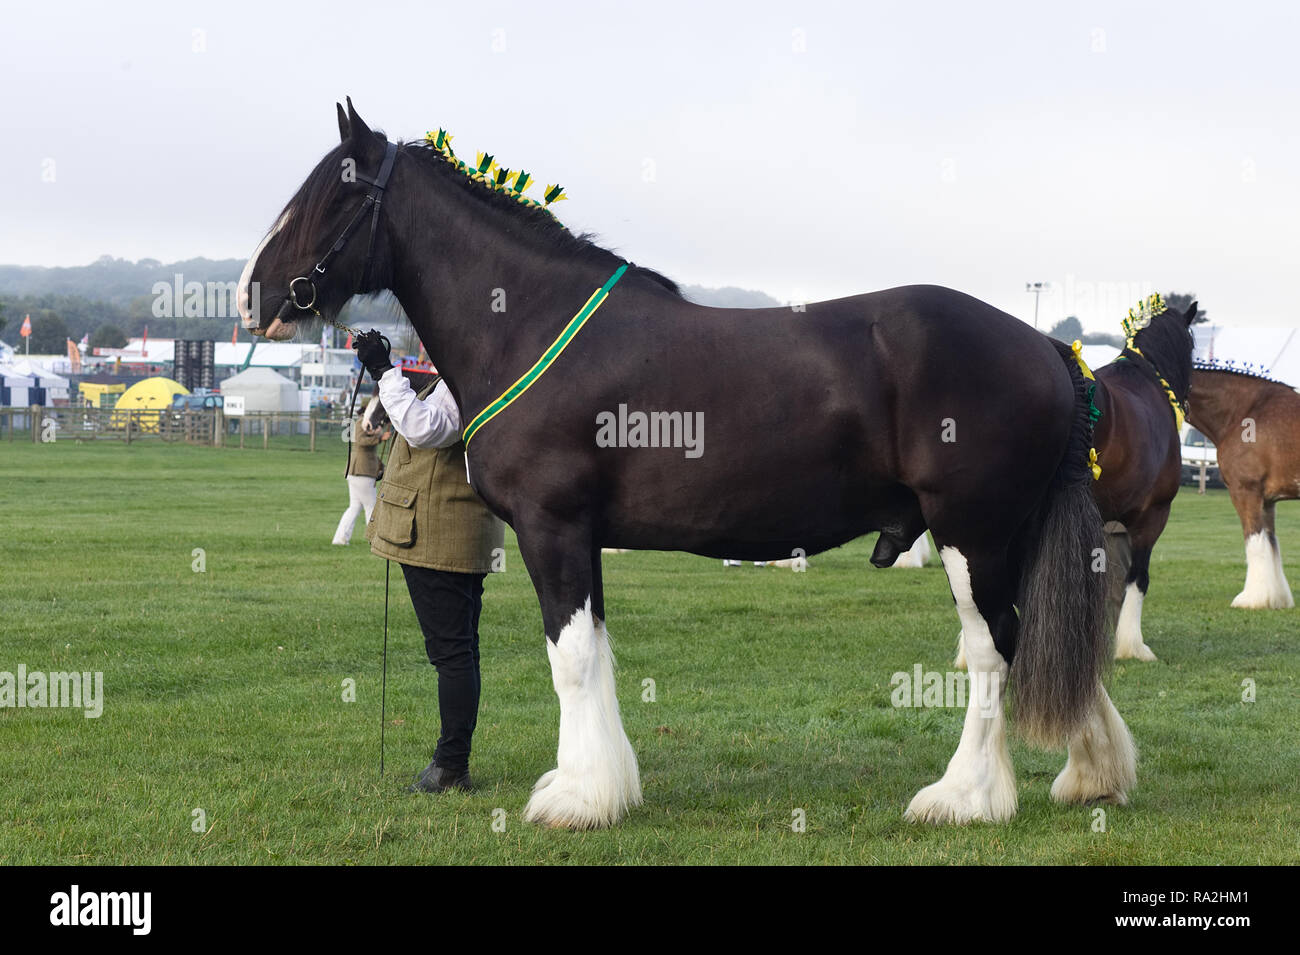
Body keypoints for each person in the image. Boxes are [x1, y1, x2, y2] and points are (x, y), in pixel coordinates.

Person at [355, 331, 504, 794]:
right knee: (459, 651)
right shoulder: (468, 374)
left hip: (440, 532)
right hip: (444, 529)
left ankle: (450, 766)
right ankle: (451, 761)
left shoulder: (465, 380)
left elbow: (426, 429)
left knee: (453, 654)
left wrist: (384, 373)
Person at [331, 399, 385, 546]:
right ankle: (374, 540)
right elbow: (361, 441)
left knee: (354, 507)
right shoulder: (362, 421)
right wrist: (379, 438)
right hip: (362, 471)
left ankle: (340, 539)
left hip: (357, 470)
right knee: (371, 507)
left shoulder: (365, 422)